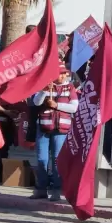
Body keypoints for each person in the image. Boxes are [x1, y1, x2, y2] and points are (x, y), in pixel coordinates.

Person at [31, 63, 79, 201]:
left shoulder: (69, 88)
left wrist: (57, 105)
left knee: (57, 160)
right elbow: (36, 102)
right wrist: (44, 91)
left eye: (64, 73)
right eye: (60, 73)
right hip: (44, 127)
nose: (63, 75)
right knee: (42, 159)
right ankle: (41, 189)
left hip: (61, 130)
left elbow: (74, 107)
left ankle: (56, 190)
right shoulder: (46, 85)